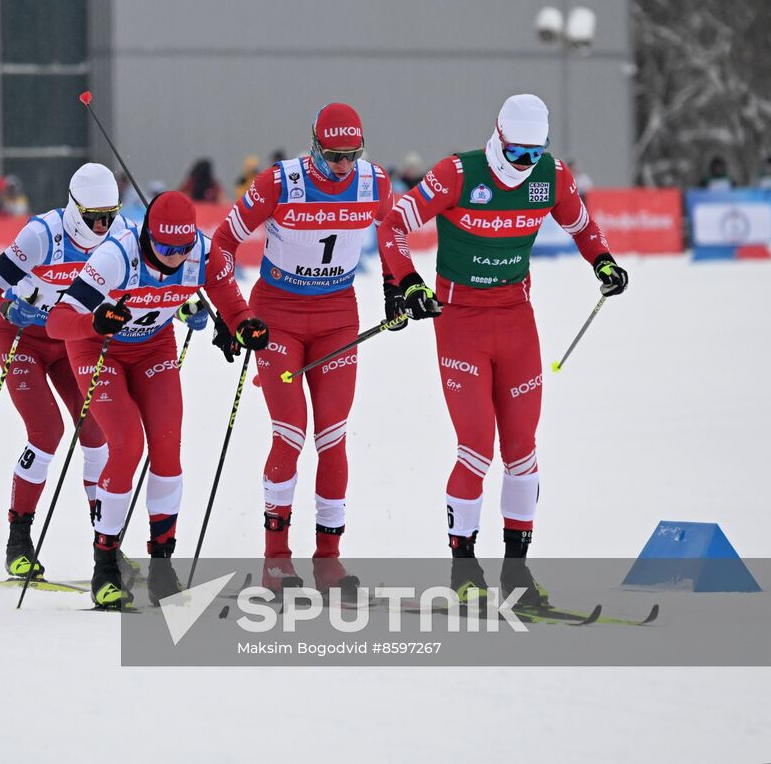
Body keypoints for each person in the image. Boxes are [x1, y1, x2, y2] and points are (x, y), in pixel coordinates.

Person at [377, 93, 628, 610]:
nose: (524, 165)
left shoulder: (549, 177)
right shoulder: (457, 173)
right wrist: (408, 283)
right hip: (460, 321)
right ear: (498, 140)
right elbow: (393, 225)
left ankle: (517, 573)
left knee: (522, 451)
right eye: (516, 154)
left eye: (534, 154)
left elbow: (582, 226)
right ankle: (464, 569)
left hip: (515, 320)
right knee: (475, 449)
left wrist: (602, 261)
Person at [46, 191, 266, 609]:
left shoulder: (205, 254)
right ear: (148, 237)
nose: (174, 258)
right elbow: (58, 322)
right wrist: (92, 320)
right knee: (128, 445)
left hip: (153, 348)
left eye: (182, 250)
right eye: (165, 249)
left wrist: (247, 326)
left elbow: (234, 307)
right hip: (98, 349)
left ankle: (162, 565)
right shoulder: (115, 257)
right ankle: (106, 563)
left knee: (167, 446)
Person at [210, 103, 395, 598]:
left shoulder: (373, 182)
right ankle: (276, 559)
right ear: (314, 144)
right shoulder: (279, 182)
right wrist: (236, 316)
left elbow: (393, 232)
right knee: (290, 433)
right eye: (333, 155)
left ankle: (329, 560)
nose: (342, 165)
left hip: (338, 319)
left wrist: (400, 287)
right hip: (278, 319)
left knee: (333, 437)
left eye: (352, 154)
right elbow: (221, 246)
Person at [0, 163, 128, 578]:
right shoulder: (43, 235)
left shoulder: (121, 234)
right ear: (74, 209)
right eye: (94, 217)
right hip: (21, 336)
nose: (102, 226)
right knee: (46, 432)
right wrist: (8, 307)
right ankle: (18, 539)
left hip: (71, 341)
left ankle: (106, 547)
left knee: (98, 433)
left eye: (110, 215)